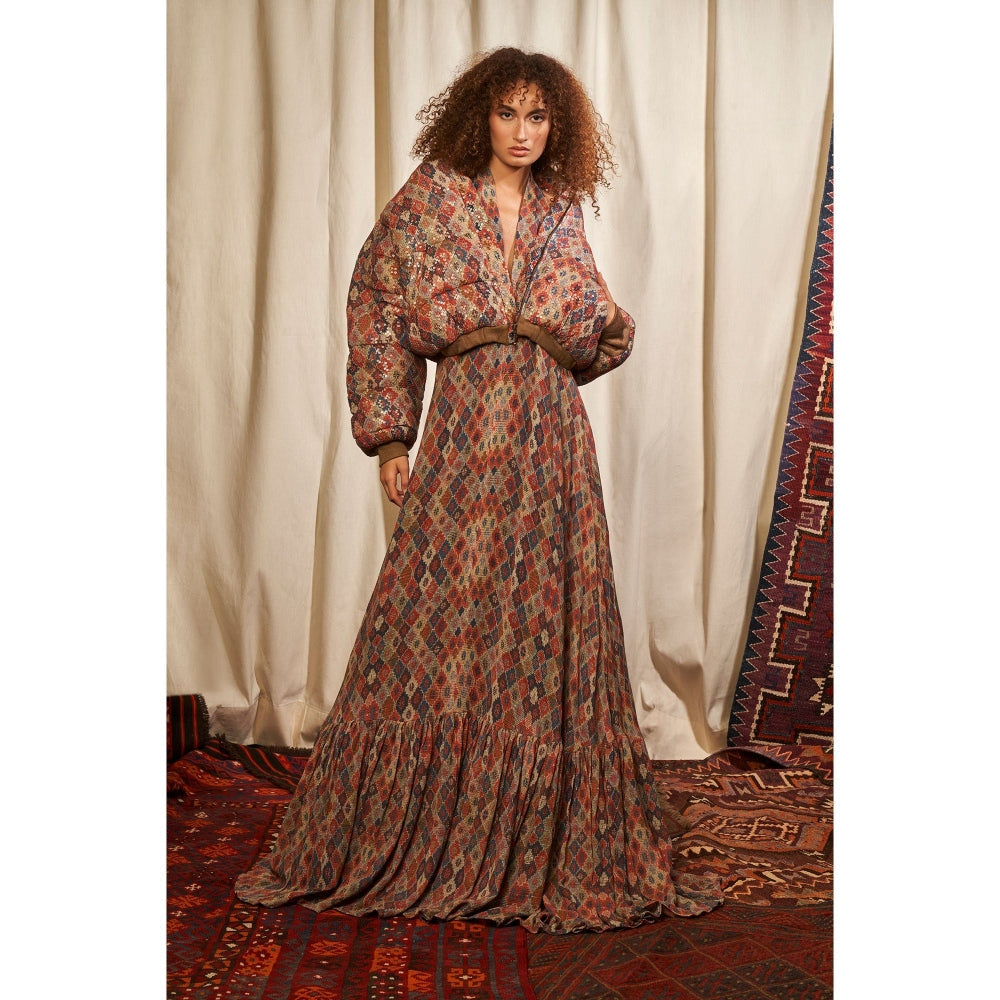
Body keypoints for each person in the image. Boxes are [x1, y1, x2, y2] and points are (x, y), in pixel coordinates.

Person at [235, 46, 722, 933]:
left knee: (544, 611)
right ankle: (428, 812)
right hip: (465, 428)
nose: (522, 133)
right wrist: (390, 435)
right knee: (440, 613)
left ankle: (538, 818)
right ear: (479, 116)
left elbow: (596, 323)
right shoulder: (433, 198)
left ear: (556, 126)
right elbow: (377, 303)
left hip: (550, 437)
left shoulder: (560, 207)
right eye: (508, 114)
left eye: (538, 117)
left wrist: (585, 325)